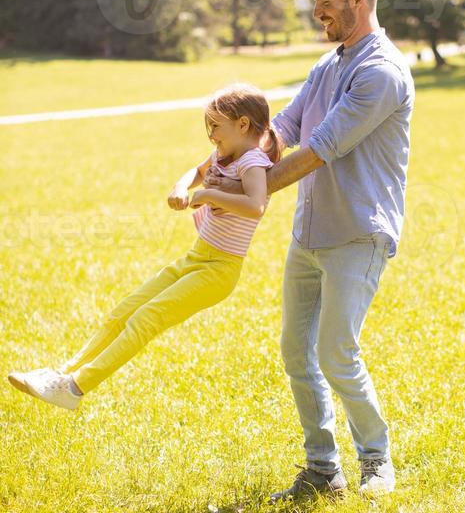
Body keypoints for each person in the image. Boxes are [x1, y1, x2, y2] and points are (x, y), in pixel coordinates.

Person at [205, 0, 415, 499]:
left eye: (326, 1)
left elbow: (318, 150)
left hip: (358, 232)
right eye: (315, 1)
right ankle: (323, 470)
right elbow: (287, 128)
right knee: (297, 352)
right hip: (311, 231)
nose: (317, 11)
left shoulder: (381, 72)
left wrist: (242, 190)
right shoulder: (329, 64)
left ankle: (376, 461)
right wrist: (232, 153)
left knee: (336, 353)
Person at [8, 84, 279, 413]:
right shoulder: (224, 155)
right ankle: (61, 375)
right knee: (124, 311)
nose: (211, 136)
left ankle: (75, 388)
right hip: (197, 257)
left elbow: (255, 205)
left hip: (220, 270)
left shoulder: (251, 162)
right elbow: (197, 172)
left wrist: (208, 196)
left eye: (215, 127)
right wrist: (181, 186)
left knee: (147, 317)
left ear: (242, 125)